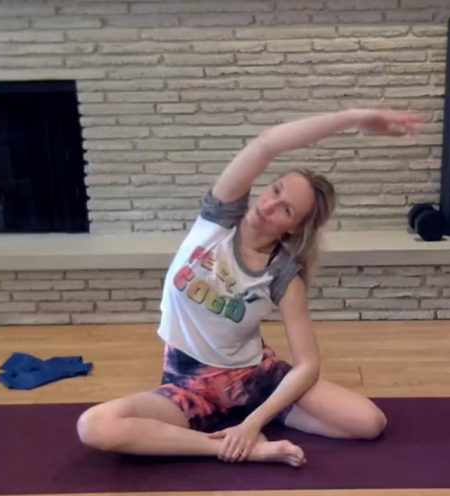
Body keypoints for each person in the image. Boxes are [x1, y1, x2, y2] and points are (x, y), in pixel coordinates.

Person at [76, 107, 425, 467]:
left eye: (285, 209)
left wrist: (254, 419)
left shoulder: (283, 275)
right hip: (189, 384)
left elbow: (308, 365)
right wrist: (354, 117)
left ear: (293, 227)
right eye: (275, 190)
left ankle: (244, 425)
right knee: (95, 426)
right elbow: (266, 144)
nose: (269, 205)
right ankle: (238, 448)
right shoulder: (219, 220)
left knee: (369, 423)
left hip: (255, 380)